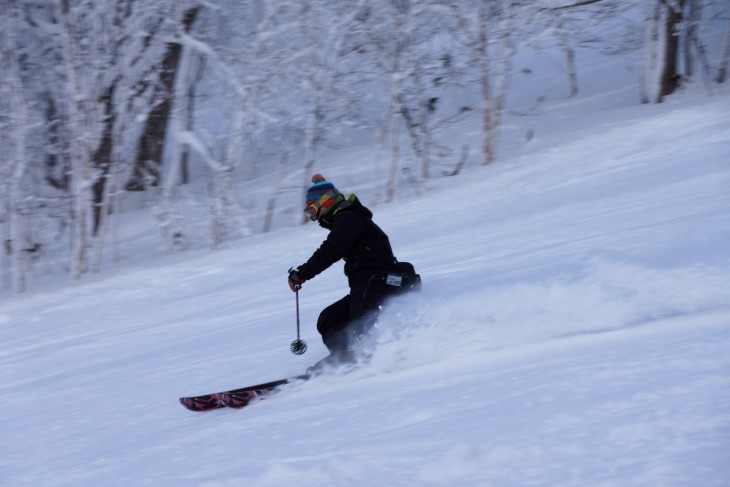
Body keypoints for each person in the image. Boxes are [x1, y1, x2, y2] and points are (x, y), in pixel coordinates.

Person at [288, 174, 420, 372]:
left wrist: (303, 273)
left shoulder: (349, 218)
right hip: (367, 282)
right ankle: (344, 355)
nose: (314, 218)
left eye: (312, 210)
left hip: (377, 280)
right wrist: (321, 185)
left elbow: (331, 249)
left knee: (361, 319)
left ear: (326, 201)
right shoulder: (347, 219)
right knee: (329, 319)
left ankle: (356, 357)